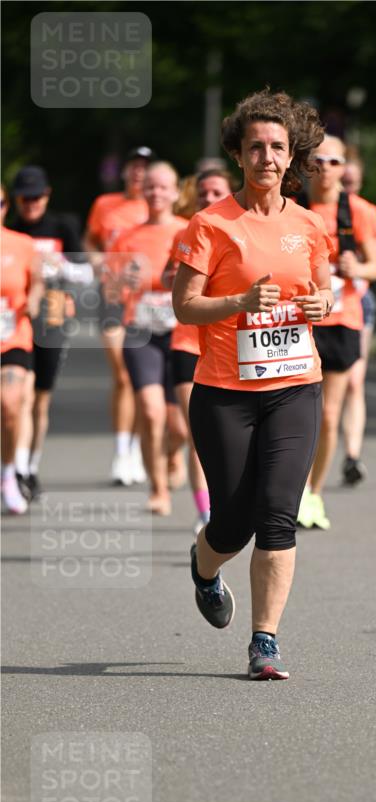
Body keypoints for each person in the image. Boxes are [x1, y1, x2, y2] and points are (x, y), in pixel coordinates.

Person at [172, 88, 334, 680]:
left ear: (292, 156)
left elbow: (325, 289)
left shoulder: (309, 224)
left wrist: (321, 303)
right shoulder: (210, 224)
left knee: (278, 515)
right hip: (224, 393)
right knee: (234, 521)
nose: (267, 157)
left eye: (277, 147)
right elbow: (184, 306)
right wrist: (239, 301)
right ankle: (204, 567)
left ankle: (264, 642)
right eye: (256, 147)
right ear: (239, 155)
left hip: (295, 385)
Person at [295, 136, 376, 529]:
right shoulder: (291, 207)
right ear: (306, 165)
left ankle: (313, 494)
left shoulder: (360, 212)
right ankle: (290, 488)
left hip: (342, 320)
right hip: (298, 324)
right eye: (318, 160)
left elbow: (374, 267)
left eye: (334, 161)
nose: (326, 168)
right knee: (294, 414)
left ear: (344, 167)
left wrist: (356, 268)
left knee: (328, 416)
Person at [107, 161, 188, 516]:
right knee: (152, 413)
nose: (156, 193)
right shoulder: (127, 237)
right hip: (141, 332)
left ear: (176, 192)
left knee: (180, 426)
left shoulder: (188, 231)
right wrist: (122, 279)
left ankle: (173, 453)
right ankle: (158, 489)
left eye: (163, 187)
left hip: (181, 333)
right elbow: (110, 291)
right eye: (150, 186)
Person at [162, 167, 233, 535]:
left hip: (228, 344)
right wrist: (175, 279)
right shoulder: (186, 232)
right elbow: (166, 276)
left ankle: (230, 500)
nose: (208, 198)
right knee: (197, 430)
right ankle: (206, 512)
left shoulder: (243, 232)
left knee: (229, 433)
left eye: (216, 192)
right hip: (188, 342)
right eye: (203, 192)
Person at [7, 165, 82, 501]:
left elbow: (86, 272)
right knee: (20, 395)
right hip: (18, 320)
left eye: (36, 196)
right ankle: (18, 468)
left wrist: (60, 265)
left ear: (47, 195)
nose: (31, 203)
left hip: (53, 316)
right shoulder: (11, 230)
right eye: (25, 198)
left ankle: (31, 466)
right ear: (15, 200)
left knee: (40, 399)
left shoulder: (62, 226)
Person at [84, 146, 153, 487]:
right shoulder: (105, 204)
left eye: (145, 167)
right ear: (124, 171)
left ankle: (139, 448)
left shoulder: (154, 206)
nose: (139, 172)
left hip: (143, 301)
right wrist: (96, 260)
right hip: (112, 296)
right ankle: (121, 451)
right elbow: (90, 240)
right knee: (123, 374)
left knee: (140, 380)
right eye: (133, 166)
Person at [340, 155, 376, 485]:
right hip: (320, 305)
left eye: (352, 182)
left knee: (354, 382)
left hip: (358, 301)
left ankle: (352, 456)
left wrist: (360, 256)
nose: (346, 188)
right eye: (342, 181)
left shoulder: (367, 212)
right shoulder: (310, 207)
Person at [1, 184, 43, 513]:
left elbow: (37, 281)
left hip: (12, 336)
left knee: (10, 404)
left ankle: (8, 474)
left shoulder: (22, 243)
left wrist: (34, 299)